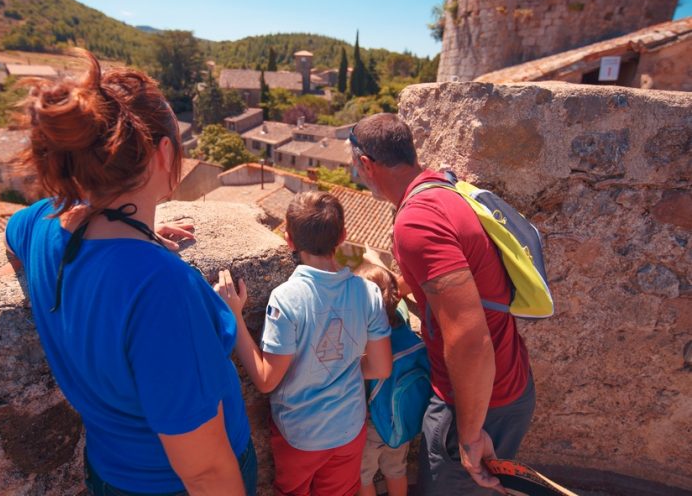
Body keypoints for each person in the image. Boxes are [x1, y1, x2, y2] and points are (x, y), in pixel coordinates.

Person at [3, 49, 256, 496]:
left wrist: (131, 230)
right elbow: (205, 472)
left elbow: (12, 241)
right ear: (162, 153)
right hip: (170, 484)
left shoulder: (42, 223)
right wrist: (135, 245)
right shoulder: (160, 287)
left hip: (110, 471)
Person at [349, 113, 536, 495]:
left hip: (478, 403)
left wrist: (468, 435)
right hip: (507, 383)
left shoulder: (416, 221)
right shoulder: (442, 187)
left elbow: (469, 339)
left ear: (366, 165)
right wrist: (395, 288)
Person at [216, 191, 392, 496]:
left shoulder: (287, 299)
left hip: (301, 434)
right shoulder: (369, 293)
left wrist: (235, 317)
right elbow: (380, 367)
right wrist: (339, 365)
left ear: (289, 241)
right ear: (343, 236)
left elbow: (266, 380)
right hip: (349, 430)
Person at [353, 263, 411, 496]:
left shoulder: (363, 336)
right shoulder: (402, 316)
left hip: (371, 422)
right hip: (399, 417)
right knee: (397, 470)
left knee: (362, 475)